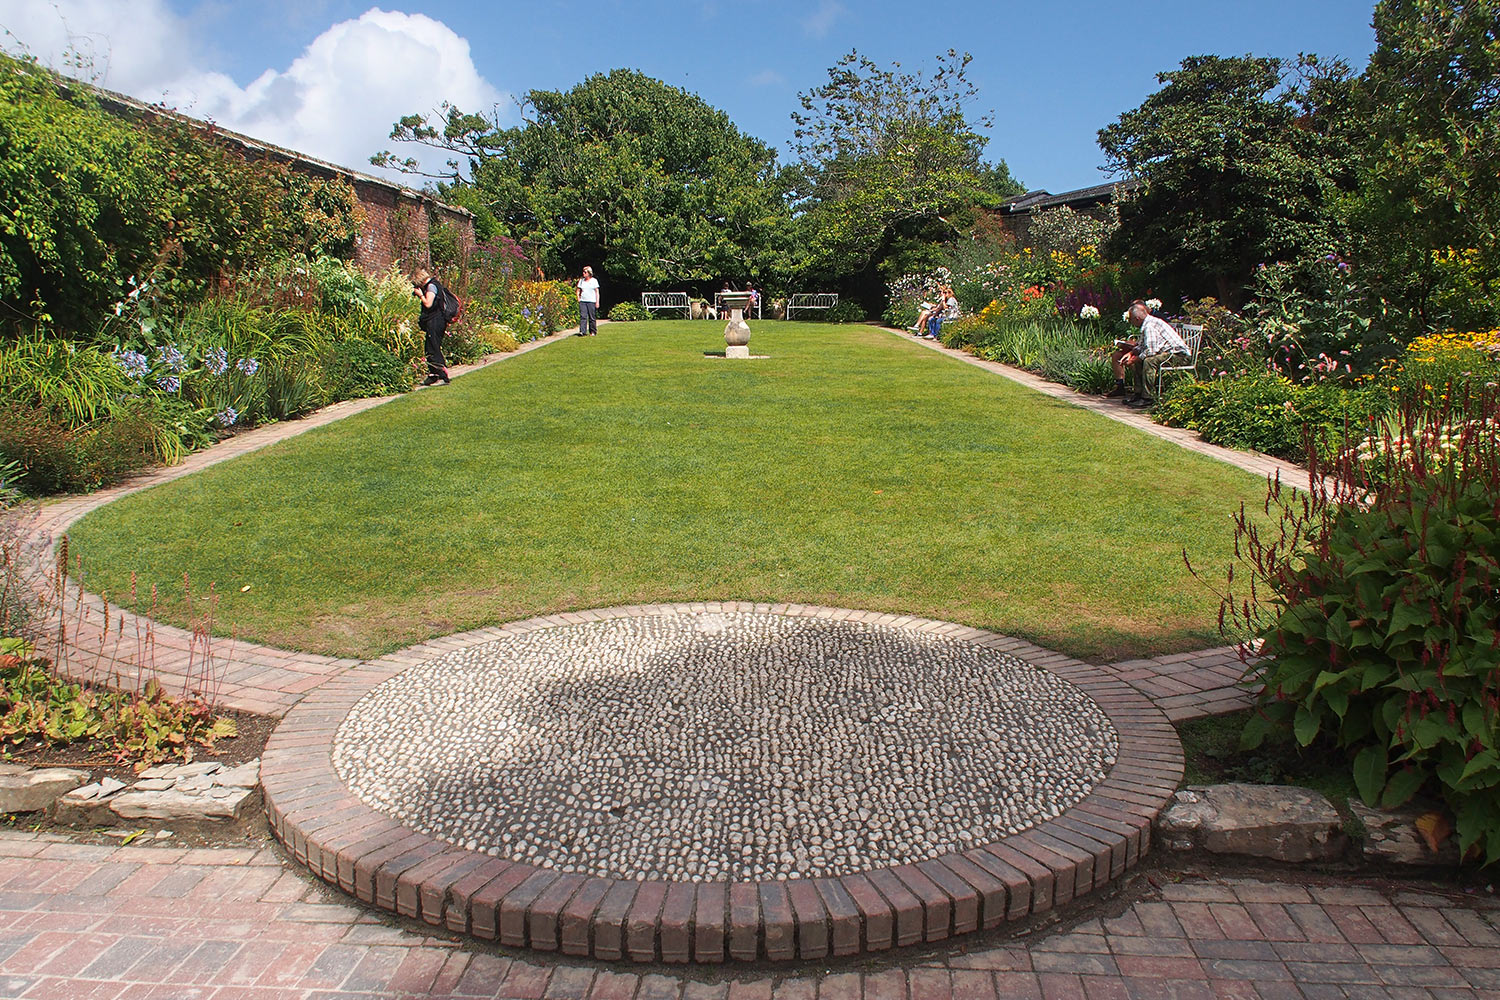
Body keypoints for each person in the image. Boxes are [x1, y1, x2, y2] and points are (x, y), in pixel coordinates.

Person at [1108, 300, 1190, 406]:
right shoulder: (1147, 323)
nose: (1130, 322)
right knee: (1140, 359)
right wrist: (1131, 353)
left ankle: (1148, 397)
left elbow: (1151, 350)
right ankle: (1138, 394)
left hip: (1178, 355)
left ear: (1137, 319)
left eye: (1131, 319)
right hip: (1167, 353)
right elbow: (1142, 345)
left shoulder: (1149, 326)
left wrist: (1135, 359)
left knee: (1149, 361)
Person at [410, 268, 450, 385]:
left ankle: (442, 375)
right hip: (435, 321)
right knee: (429, 347)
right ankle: (433, 375)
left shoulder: (431, 286)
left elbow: (428, 303)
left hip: (436, 321)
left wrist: (420, 295)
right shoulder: (434, 284)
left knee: (433, 347)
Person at [576, 265, 600, 336]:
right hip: (583, 301)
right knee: (583, 316)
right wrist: (578, 298)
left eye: (585, 272)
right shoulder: (581, 281)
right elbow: (578, 290)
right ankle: (582, 331)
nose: (583, 273)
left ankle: (593, 331)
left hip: (591, 301)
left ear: (589, 273)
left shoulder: (594, 281)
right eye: (583, 272)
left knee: (592, 317)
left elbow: (597, 292)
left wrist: (597, 302)